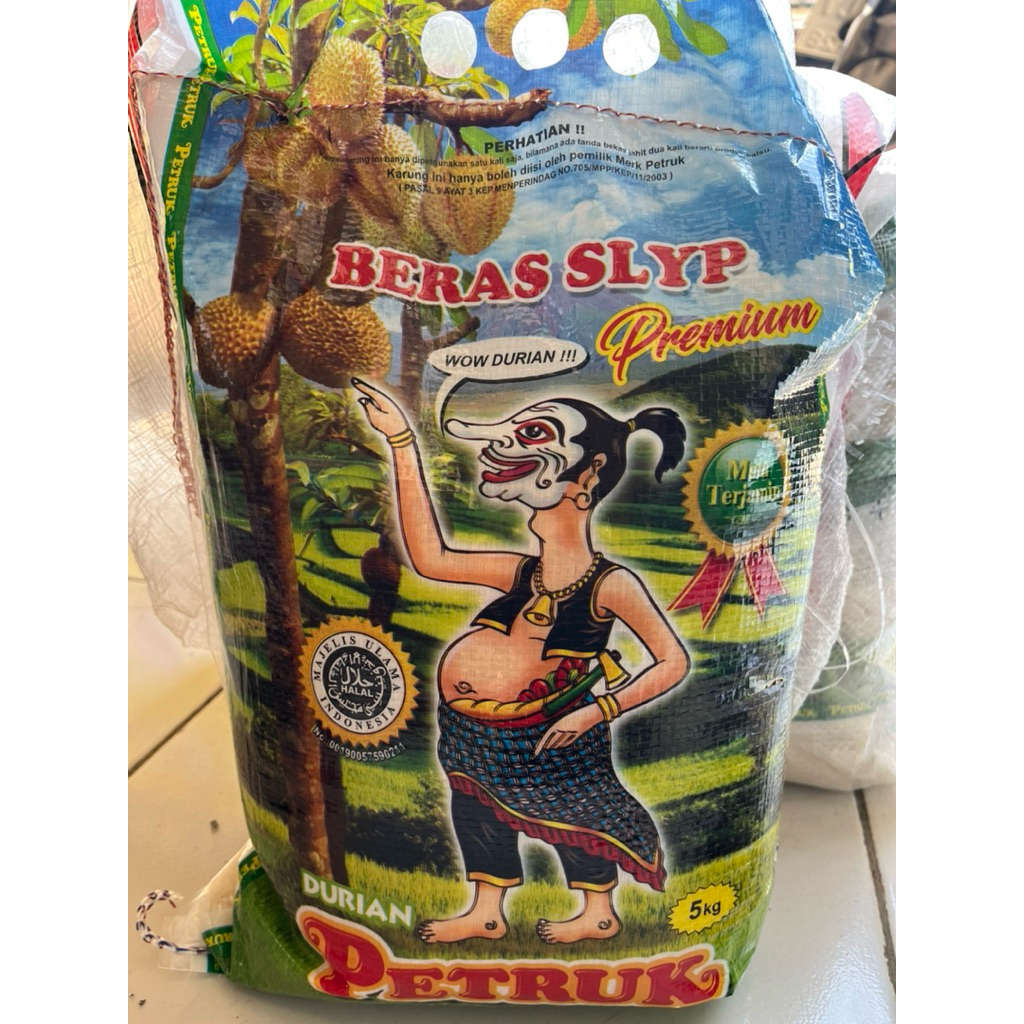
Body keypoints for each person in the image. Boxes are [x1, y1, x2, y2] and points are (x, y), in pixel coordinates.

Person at [353, 379, 690, 944]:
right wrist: (401, 442)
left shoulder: (611, 583)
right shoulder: (520, 571)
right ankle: (487, 910)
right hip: (472, 731)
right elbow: (431, 558)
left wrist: (596, 711)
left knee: (574, 811)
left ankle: (599, 912)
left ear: (587, 475)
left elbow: (671, 661)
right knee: (475, 810)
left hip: (553, 726)